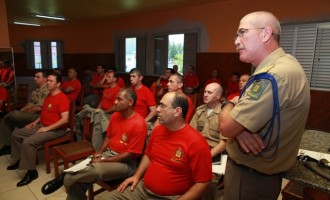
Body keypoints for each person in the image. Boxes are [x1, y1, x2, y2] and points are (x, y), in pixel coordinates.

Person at [219, 11, 310, 200]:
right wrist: (241, 127)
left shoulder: (271, 76)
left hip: (249, 177)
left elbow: (226, 127)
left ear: (266, 33)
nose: (236, 41)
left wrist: (228, 104)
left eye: (242, 32)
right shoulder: (286, 63)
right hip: (262, 174)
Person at [41, 88, 148, 200]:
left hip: (126, 164)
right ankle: (68, 178)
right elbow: (108, 136)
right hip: (108, 154)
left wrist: (103, 160)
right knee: (78, 182)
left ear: (130, 102)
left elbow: (130, 154)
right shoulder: (116, 115)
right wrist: (99, 152)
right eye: (115, 99)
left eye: (119, 99)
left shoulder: (139, 124)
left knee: (95, 168)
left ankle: (64, 177)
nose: (115, 102)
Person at [103, 92, 213, 200]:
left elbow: (203, 183)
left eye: (162, 106)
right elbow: (148, 155)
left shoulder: (197, 142)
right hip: (142, 190)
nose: (157, 110)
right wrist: (136, 176)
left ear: (177, 111)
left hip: (170, 197)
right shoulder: (158, 130)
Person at [7, 72, 70, 187]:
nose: (48, 83)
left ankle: (32, 172)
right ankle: (20, 159)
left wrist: (47, 129)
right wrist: (34, 122)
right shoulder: (49, 95)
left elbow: (65, 120)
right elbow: (43, 113)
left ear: (59, 84)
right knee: (16, 133)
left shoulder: (62, 98)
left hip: (55, 130)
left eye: (51, 81)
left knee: (28, 142)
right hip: (42, 125)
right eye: (47, 80)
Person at [0, 70, 49, 156]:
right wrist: (22, 110)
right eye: (35, 77)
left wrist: (21, 113)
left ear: (45, 79)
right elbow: (30, 104)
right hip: (31, 114)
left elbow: (38, 108)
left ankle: (7, 116)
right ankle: (8, 146)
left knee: (13, 114)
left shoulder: (46, 91)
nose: (34, 79)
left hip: (38, 117)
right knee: (6, 121)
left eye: (38, 77)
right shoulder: (36, 91)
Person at [75, 70, 121, 150]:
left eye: (109, 77)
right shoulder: (106, 89)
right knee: (80, 117)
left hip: (110, 114)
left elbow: (115, 107)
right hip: (101, 111)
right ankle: (81, 141)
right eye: (106, 76)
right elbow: (101, 102)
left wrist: (102, 112)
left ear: (114, 79)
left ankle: (97, 147)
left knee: (97, 117)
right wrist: (97, 110)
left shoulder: (118, 90)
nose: (106, 78)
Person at [190, 83, 226, 158]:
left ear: (218, 96)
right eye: (205, 92)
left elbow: (224, 143)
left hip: (214, 151)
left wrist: (207, 157)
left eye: (209, 92)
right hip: (197, 148)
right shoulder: (199, 110)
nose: (205, 95)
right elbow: (190, 133)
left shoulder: (224, 113)